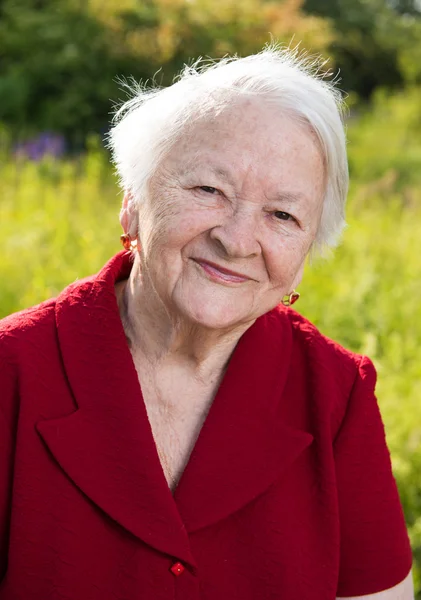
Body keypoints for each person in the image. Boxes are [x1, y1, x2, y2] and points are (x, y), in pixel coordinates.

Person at [0, 46, 414, 600]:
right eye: (208, 190)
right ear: (132, 203)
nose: (237, 240)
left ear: (307, 248)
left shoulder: (335, 393)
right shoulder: (12, 371)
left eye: (283, 215)